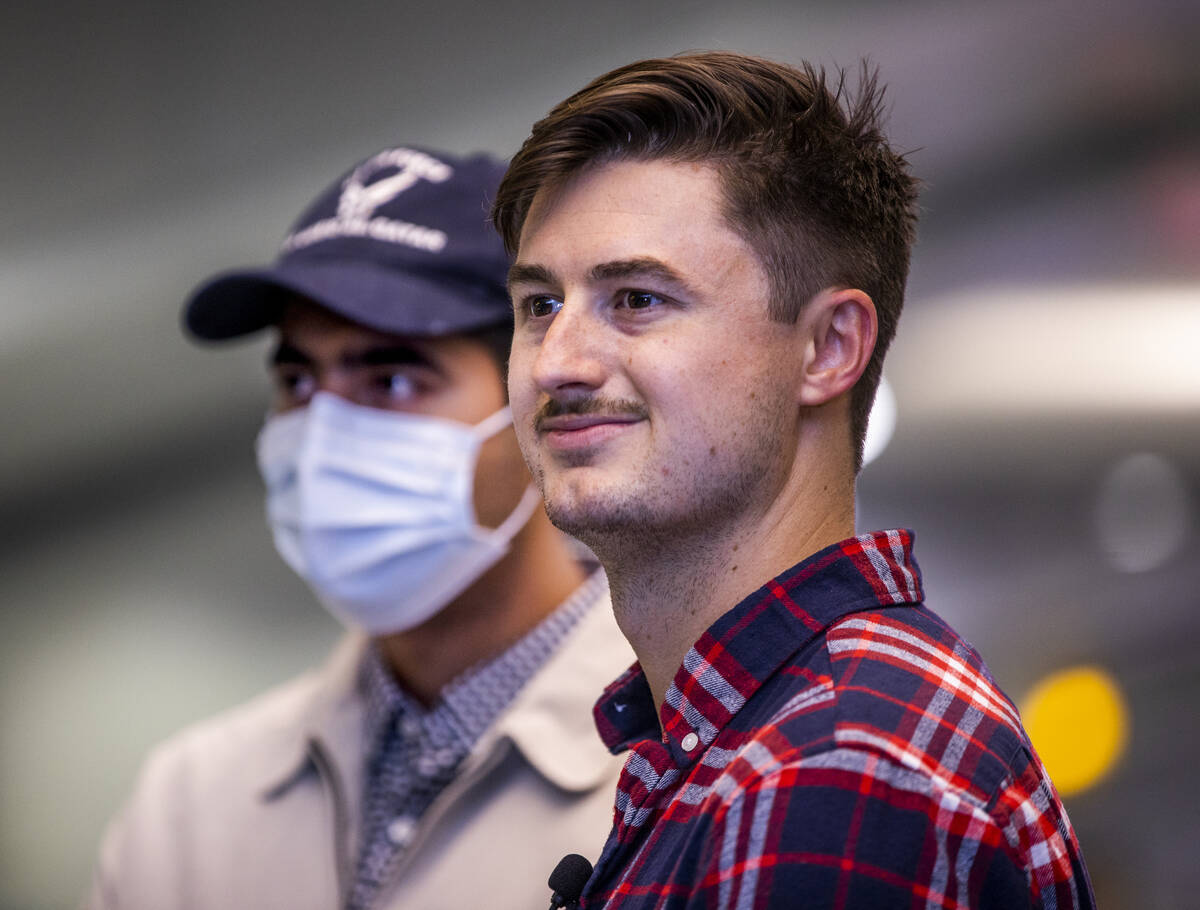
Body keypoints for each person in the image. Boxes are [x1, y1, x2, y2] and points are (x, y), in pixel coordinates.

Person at [495, 53, 1096, 909]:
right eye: (539, 305)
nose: (558, 364)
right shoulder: (743, 744)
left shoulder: (839, 763)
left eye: (636, 300)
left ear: (829, 348)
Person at [86, 145, 632, 910]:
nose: (322, 433)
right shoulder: (189, 806)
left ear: (533, 397)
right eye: (297, 380)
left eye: (393, 379)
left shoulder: (678, 769)